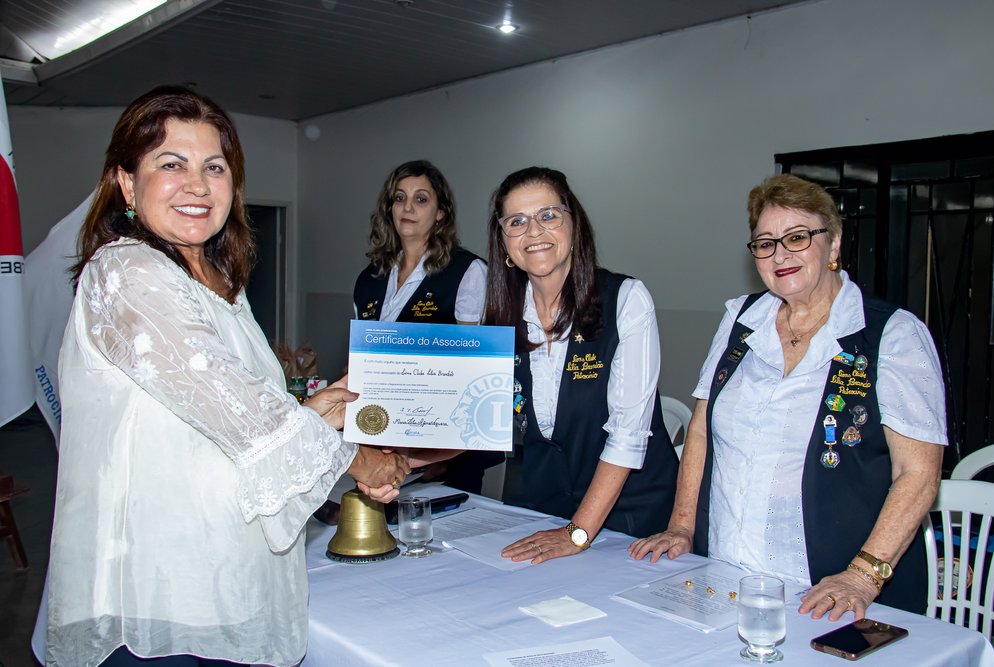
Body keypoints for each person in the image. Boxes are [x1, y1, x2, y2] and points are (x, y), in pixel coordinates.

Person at [45, 86, 409, 667]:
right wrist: (360, 460)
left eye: (214, 167)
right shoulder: (125, 271)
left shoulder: (220, 285)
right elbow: (241, 412)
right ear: (125, 183)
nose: (196, 184)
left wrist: (318, 413)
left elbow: (241, 412)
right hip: (155, 601)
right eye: (171, 164)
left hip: (224, 582)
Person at [628, 174, 946, 621]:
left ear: (833, 245)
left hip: (831, 593)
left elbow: (918, 474)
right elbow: (700, 429)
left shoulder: (892, 335)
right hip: (724, 574)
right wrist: (682, 526)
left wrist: (862, 575)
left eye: (797, 237)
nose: (780, 254)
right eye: (765, 243)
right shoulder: (741, 319)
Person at [484, 166, 678, 563]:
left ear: (575, 226)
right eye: (517, 221)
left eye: (548, 215)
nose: (534, 232)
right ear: (504, 242)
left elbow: (628, 436)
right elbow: (480, 419)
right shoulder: (501, 317)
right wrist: (403, 456)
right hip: (543, 512)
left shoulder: (625, 299)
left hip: (631, 522)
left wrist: (577, 533)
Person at [353, 159, 500, 493]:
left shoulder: (467, 271)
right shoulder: (368, 280)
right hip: (381, 439)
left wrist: (438, 455)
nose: (408, 207)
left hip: (444, 452)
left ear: (440, 213)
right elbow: (363, 365)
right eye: (399, 198)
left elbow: (472, 373)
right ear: (388, 208)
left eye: (421, 199)